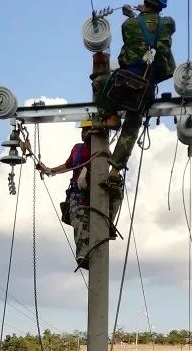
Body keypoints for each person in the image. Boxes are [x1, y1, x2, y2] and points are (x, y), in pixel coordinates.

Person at [95, 0, 176, 185]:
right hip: (146, 86)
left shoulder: (129, 24)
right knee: (133, 123)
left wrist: (135, 16)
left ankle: (110, 116)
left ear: (145, 3)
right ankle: (115, 169)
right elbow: (155, 34)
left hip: (125, 81)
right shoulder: (168, 23)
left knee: (101, 83)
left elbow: (133, 38)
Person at [36, 120, 93, 270]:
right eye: (83, 130)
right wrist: (50, 170)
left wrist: (86, 170)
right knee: (79, 221)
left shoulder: (100, 147)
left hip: (95, 193)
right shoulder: (78, 149)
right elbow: (69, 165)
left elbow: (105, 161)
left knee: (92, 224)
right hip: (78, 193)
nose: (84, 133)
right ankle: (83, 255)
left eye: (87, 130)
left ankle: (87, 253)